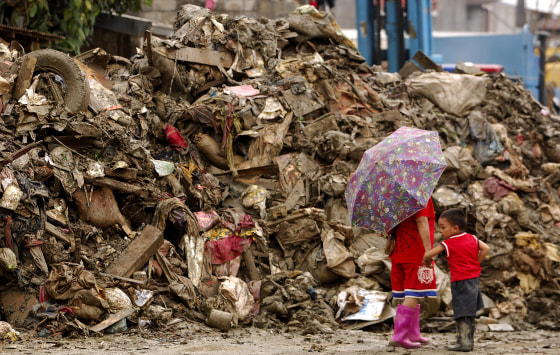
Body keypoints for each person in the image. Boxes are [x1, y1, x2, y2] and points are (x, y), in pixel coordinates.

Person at [423, 208, 490, 352]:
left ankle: (464, 343)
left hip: (460, 280)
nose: (441, 231)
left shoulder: (448, 243)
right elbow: (486, 249)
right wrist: (476, 263)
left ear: (455, 228)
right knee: (469, 311)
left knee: (462, 312)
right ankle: (467, 341)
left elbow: (429, 254)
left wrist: (426, 261)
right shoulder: (472, 238)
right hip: (473, 279)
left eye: (443, 227)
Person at [388, 197, 437, 349]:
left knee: (410, 292)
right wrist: (429, 251)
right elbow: (421, 221)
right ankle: (400, 336)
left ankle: (413, 333)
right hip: (416, 251)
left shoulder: (392, 197)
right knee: (414, 293)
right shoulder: (420, 195)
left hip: (398, 252)